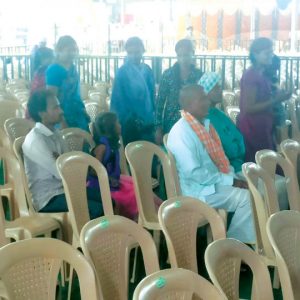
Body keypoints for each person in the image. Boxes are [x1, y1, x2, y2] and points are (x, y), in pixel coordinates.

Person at [167, 84, 255, 243]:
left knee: (255, 186)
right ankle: (234, 249)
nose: (207, 102)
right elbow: (195, 174)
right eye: (202, 99)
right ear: (188, 104)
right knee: (247, 198)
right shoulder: (182, 132)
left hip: (211, 183)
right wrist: (232, 181)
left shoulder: (202, 125)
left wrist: (231, 178)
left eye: (205, 98)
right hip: (197, 191)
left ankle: (239, 243)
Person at [23, 89, 103, 219]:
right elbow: (63, 172)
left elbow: (69, 163)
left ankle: (109, 238)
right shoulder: (36, 140)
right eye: (56, 107)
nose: (61, 111)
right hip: (48, 198)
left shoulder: (55, 133)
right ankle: (82, 239)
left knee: (107, 199)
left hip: (65, 190)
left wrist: (63, 161)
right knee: (96, 209)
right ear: (42, 113)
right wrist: (65, 164)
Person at [87, 112, 162, 220]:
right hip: (101, 185)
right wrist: (109, 179)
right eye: (117, 123)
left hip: (115, 180)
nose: (120, 125)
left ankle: (159, 210)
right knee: (134, 194)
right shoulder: (102, 147)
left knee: (140, 185)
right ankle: (149, 216)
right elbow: (94, 171)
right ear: (111, 127)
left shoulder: (113, 144)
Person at [237, 38, 291, 162]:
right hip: (253, 130)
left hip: (262, 127)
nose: (271, 56)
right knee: (263, 166)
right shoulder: (252, 76)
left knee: (269, 164)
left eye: (271, 52)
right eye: (267, 53)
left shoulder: (261, 73)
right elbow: (249, 107)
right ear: (255, 55)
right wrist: (275, 100)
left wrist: (279, 95)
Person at [155, 39, 203, 144]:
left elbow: (203, 101)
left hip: (193, 123)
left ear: (192, 53)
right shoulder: (168, 75)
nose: (182, 59)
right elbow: (160, 102)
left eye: (186, 55)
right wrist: (158, 127)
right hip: (171, 123)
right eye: (179, 55)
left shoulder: (199, 76)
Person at [110, 37, 155, 146]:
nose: (134, 56)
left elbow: (152, 95)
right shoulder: (122, 72)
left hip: (147, 119)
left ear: (143, 51)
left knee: (148, 154)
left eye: (137, 52)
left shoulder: (147, 70)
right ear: (126, 53)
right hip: (128, 121)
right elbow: (117, 98)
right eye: (130, 52)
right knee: (131, 154)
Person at [199, 72, 245, 173]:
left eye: (220, 87)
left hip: (238, 163)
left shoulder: (218, 113)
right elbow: (227, 148)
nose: (220, 91)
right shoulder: (206, 119)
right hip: (229, 169)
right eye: (216, 88)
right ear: (206, 92)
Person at [46, 35, 90, 131]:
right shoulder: (54, 70)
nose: (73, 53)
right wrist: (61, 120)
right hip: (63, 116)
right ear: (59, 51)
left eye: (74, 50)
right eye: (69, 50)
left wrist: (83, 110)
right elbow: (52, 97)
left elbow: (77, 93)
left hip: (78, 114)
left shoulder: (73, 68)